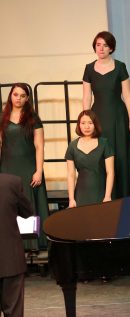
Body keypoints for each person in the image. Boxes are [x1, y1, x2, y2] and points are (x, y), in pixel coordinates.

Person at [82, 31, 130, 199]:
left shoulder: (120, 66)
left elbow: (127, 96)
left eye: (105, 45)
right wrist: (85, 121)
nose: (101, 48)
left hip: (118, 118)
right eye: (98, 45)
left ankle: (123, 198)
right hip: (97, 118)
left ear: (111, 48)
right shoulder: (89, 69)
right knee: (101, 156)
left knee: (119, 156)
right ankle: (103, 197)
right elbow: (86, 97)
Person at [0, 83, 49, 250]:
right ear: (10, 96)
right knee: (9, 207)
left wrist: (39, 171)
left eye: (22, 95)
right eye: (15, 95)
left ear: (27, 98)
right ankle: (12, 248)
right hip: (7, 169)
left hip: (29, 170)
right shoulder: (2, 118)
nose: (18, 98)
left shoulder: (33, 119)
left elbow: (39, 146)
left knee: (29, 206)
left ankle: (33, 247)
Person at [0, 173, 34, 317]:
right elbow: (28, 212)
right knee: (13, 312)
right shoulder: (12, 182)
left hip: (10, 260)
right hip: (10, 259)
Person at [65, 110, 114, 207]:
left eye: (90, 123)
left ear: (95, 124)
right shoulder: (72, 146)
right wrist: (71, 199)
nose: (86, 127)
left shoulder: (105, 143)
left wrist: (107, 196)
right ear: (79, 125)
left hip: (101, 193)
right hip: (80, 195)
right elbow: (71, 175)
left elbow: (110, 172)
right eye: (83, 123)